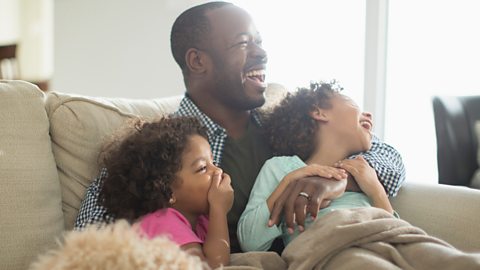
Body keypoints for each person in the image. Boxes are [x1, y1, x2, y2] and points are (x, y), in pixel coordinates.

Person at [74, 1, 405, 253]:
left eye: (259, 41)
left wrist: (337, 181)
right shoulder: (162, 148)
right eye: (244, 43)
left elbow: (390, 158)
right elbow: (87, 241)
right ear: (197, 61)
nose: (262, 52)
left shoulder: (280, 128)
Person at [237, 81, 399, 251]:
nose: (369, 115)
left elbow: (396, 235)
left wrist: (377, 191)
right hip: (330, 250)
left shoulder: (364, 171)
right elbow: (250, 242)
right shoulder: (281, 167)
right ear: (318, 112)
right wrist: (288, 181)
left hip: (380, 245)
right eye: (351, 102)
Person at [97, 116, 233, 268]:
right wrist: (219, 209)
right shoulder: (162, 222)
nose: (218, 171)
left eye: (213, 162)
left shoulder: (201, 220)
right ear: (168, 192)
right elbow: (214, 265)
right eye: (202, 168)